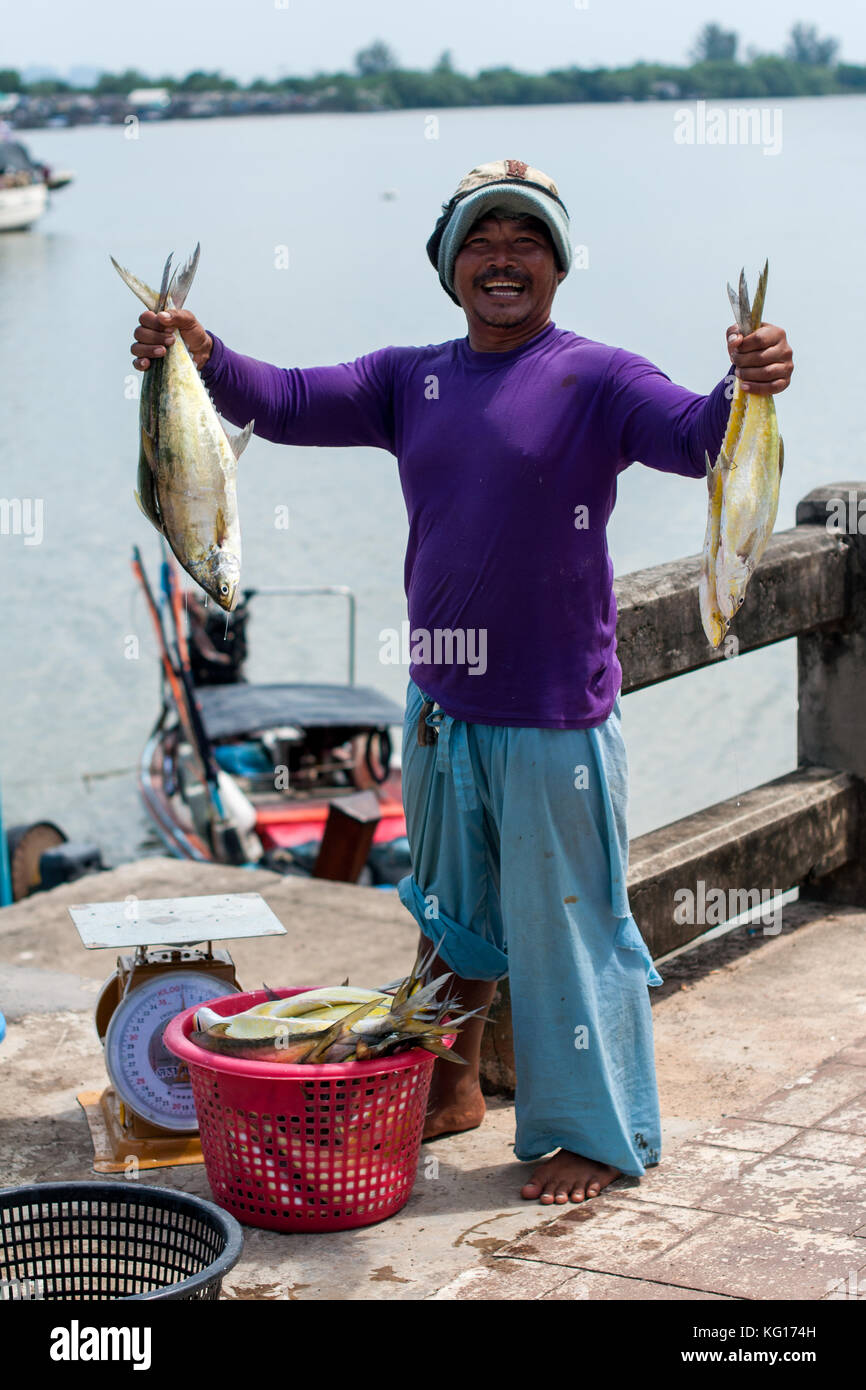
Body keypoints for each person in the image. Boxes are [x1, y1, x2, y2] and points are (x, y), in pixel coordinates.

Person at [130, 158, 794, 1205]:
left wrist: (746, 383)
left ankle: (597, 1134)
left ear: (557, 266)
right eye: (479, 243)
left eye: (524, 240)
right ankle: (447, 1087)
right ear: (447, 271)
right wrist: (198, 355)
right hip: (442, 709)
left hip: (551, 715)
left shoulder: (596, 376)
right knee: (451, 919)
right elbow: (287, 400)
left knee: (570, 932)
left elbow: (696, 437)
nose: (501, 259)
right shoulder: (411, 379)